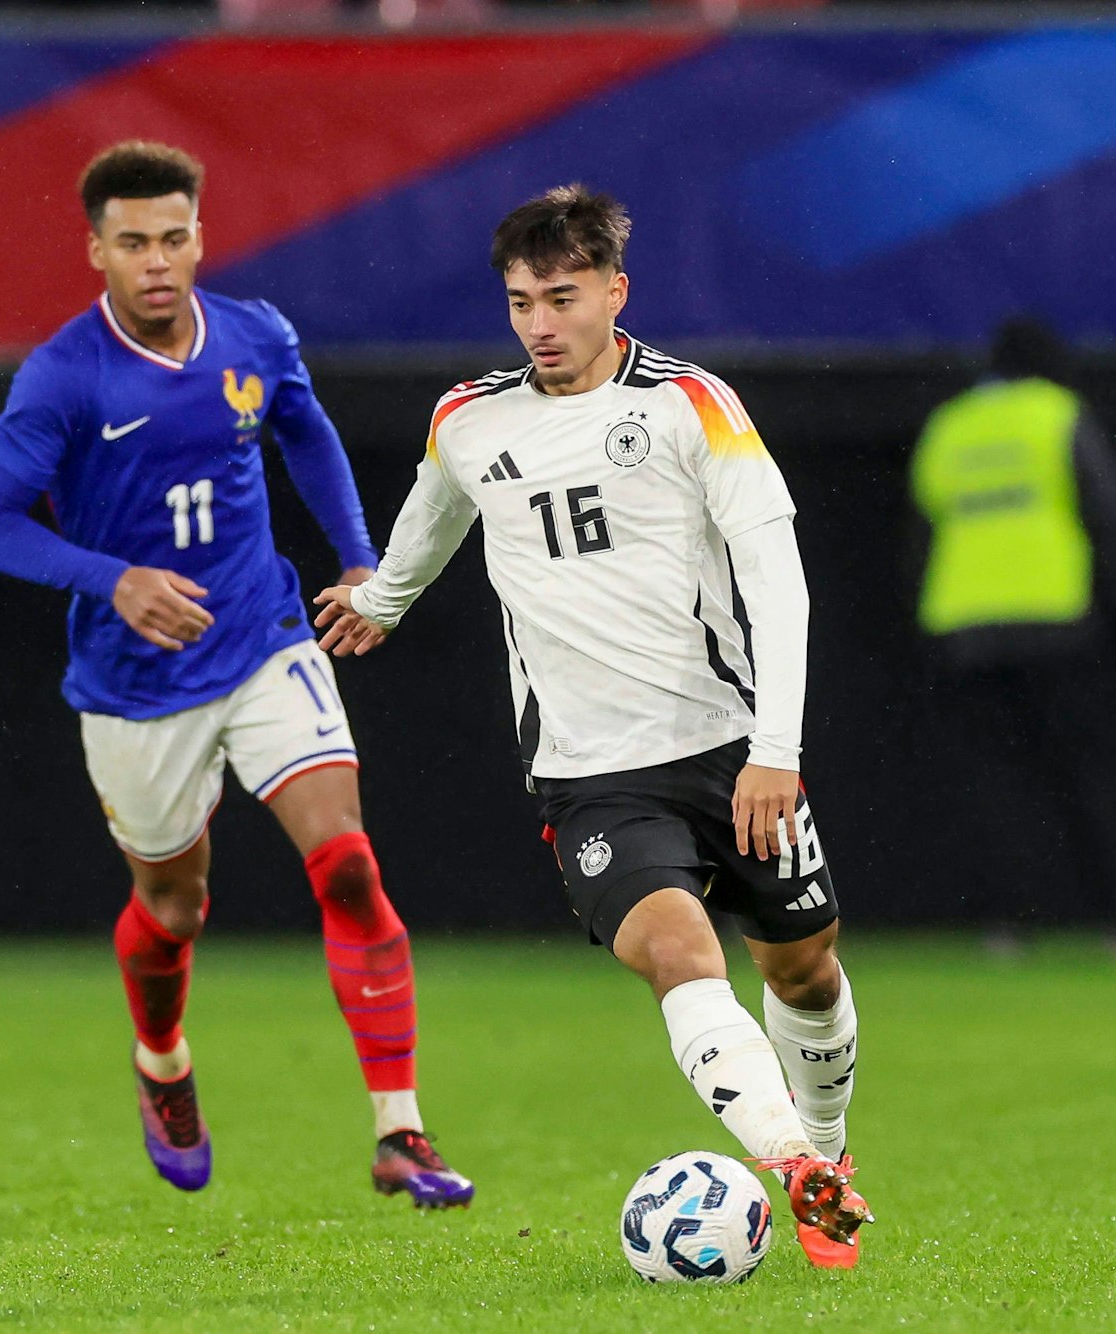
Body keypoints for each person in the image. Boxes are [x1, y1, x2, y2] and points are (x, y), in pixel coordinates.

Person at [314, 185, 871, 1267]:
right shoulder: (468, 418)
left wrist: (777, 751)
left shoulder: (692, 405)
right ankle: (793, 1164)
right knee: (679, 951)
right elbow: (430, 528)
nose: (539, 324)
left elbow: (780, 583)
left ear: (615, 291)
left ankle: (831, 1155)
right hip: (589, 775)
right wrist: (378, 601)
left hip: (729, 748)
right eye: (521, 301)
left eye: (561, 297)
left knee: (803, 969)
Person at [0, 140, 471, 1206]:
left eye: (176, 236)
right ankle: (162, 1062)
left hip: (263, 636)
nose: (158, 260)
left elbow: (305, 429)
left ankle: (402, 1128)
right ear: (95, 250)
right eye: (134, 242)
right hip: (137, 681)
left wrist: (361, 560)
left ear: (201, 234)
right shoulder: (63, 376)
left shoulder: (254, 334)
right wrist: (113, 580)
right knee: (175, 902)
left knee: (345, 861)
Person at [907, 316, 1116, 954]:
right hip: (1057, 619)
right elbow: (1112, 514)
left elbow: (920, 530)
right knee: (1092, 773)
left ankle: (1006, 926)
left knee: (995, 782)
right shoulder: (1057, 414)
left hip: (966, 626)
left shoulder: (951, 424)